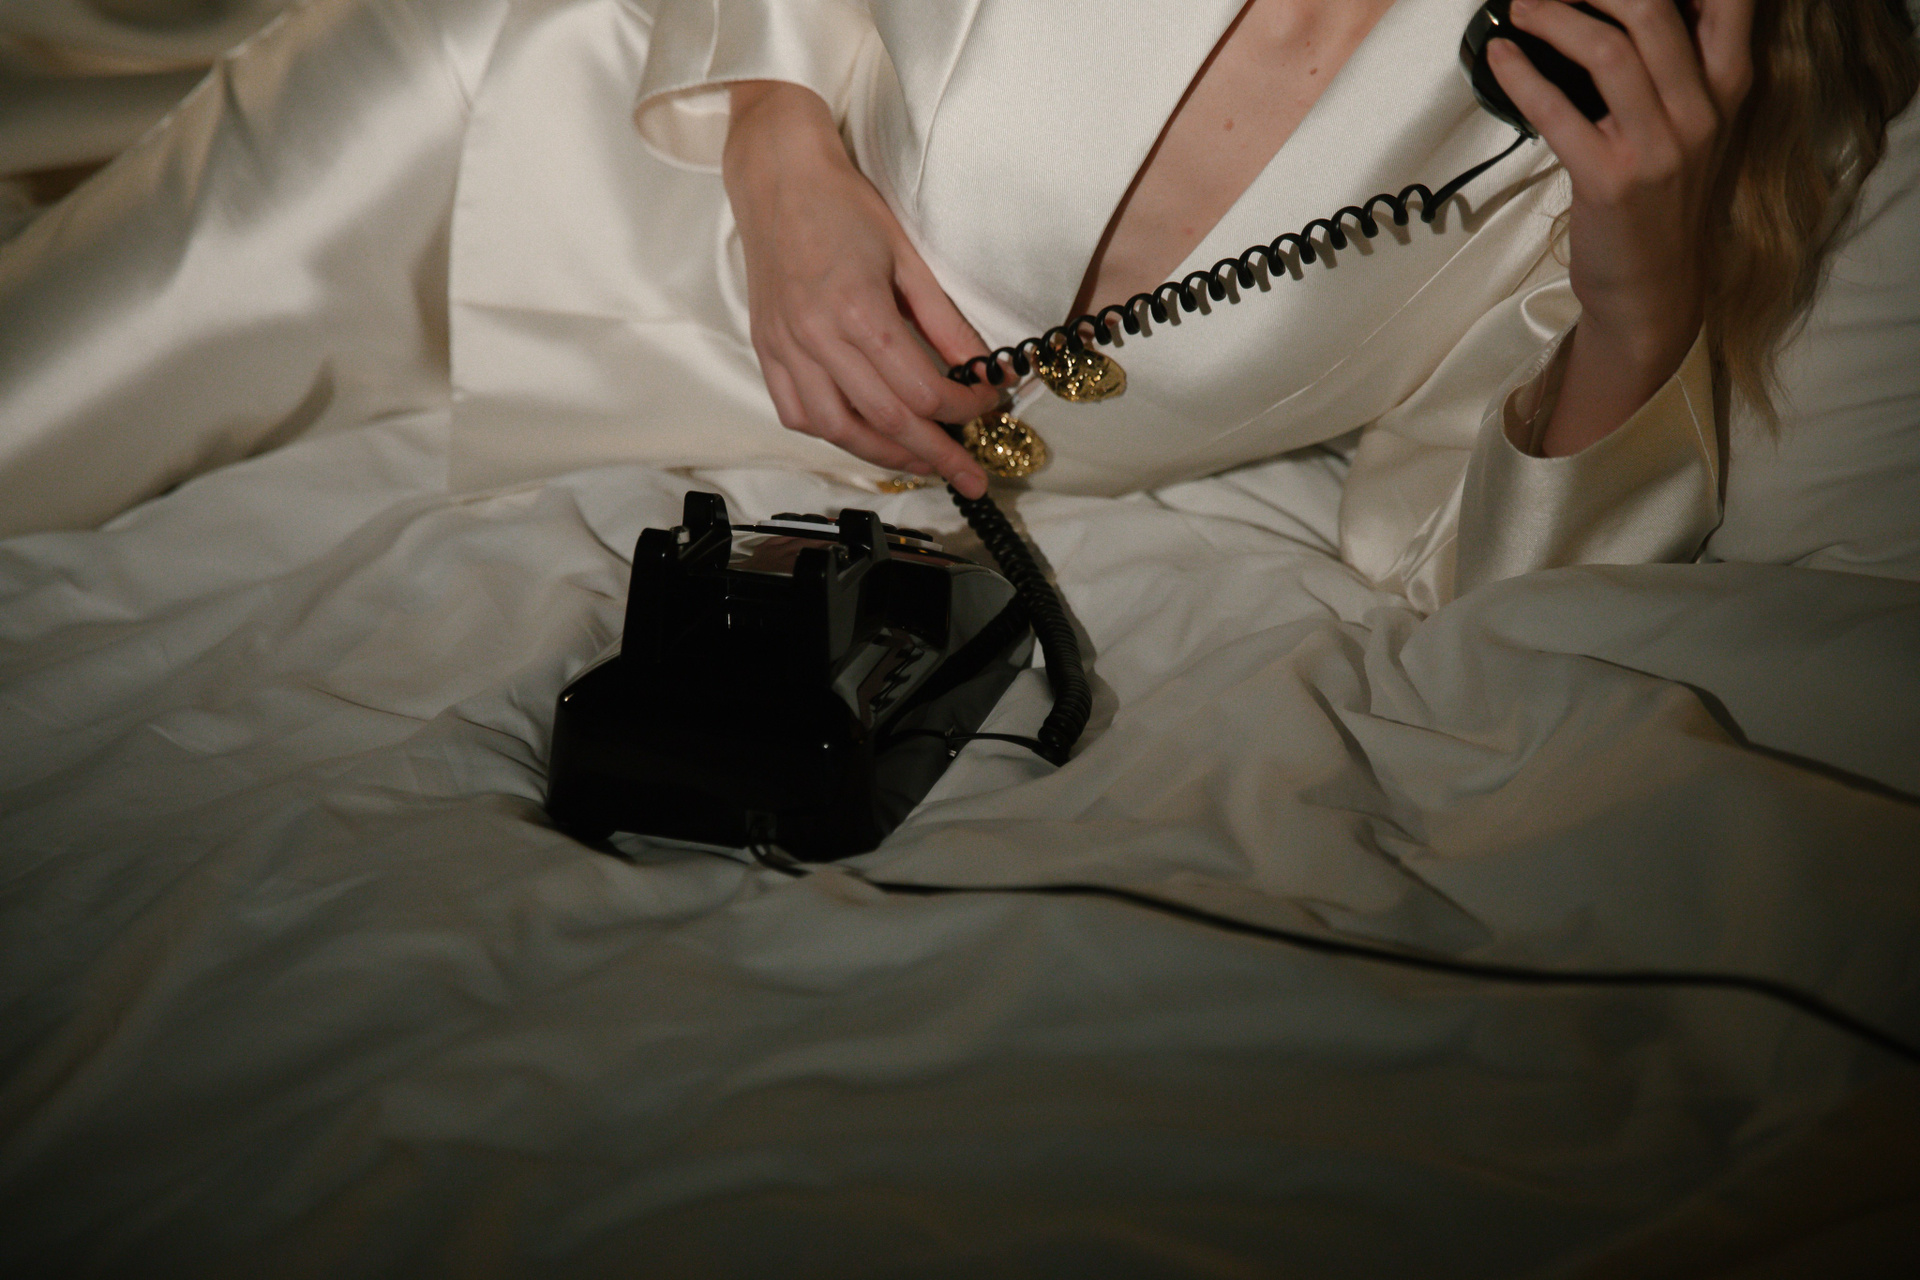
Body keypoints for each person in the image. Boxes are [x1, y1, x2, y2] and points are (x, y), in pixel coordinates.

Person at [0, 0, 1914, 610]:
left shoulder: (1664, 110)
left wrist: (1643, 272)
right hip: (531, 134)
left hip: (767, 448)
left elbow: (1469, 568)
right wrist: (781, 163)